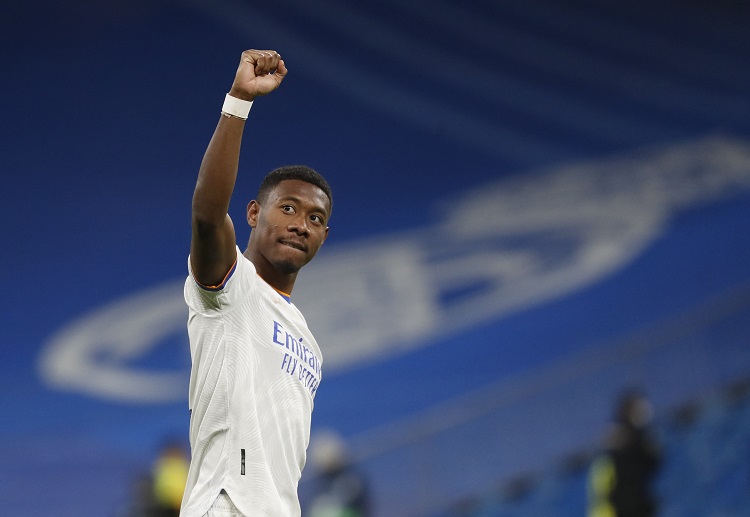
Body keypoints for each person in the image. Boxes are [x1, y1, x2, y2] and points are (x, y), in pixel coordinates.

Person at [180, 49, 332, 517]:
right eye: (288, 208)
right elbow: (207, 215)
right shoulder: (232, 287)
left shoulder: (308, 341)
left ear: (324, 236)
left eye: (315, 219)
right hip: (226, 505)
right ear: (253, 213)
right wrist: (239, 101)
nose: (301, 224)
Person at [587, 390, 662, 517]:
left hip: (633, 505)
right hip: (617, 508)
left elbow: (653, 464)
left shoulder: (639, 439)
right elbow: (604, 489)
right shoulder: (618, 441)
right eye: (639, 408)